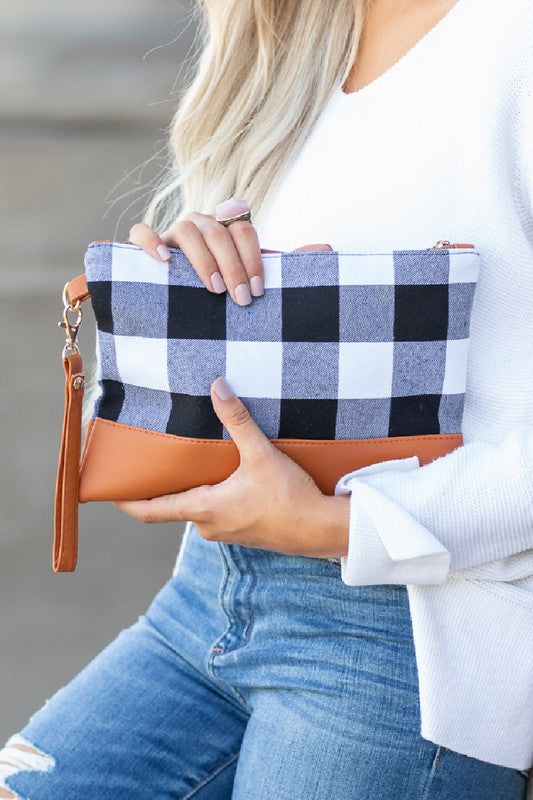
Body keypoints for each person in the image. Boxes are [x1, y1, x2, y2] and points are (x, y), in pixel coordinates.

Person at [1, 0, 531, 797]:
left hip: (411, 636)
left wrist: (342, 526)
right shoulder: (282, 42)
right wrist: (194, 278)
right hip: (208, 595)